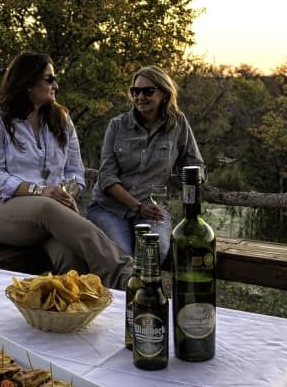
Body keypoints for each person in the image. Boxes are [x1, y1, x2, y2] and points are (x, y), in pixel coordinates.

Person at [0, 52, 133, 289]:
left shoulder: (61, 119)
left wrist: (67, 193)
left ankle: (93, 312)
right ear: (27, 83)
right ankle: (127, 276)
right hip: (2, 210)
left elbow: (75, 171)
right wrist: (42, 191)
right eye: (49, 79)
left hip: (52, 216)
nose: (55, 85)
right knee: (47, 207)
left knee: (72, 261)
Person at [87, 65, 204, 260]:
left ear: (164, 94)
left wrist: (193, 179)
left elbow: (196, 165)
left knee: (154, 252)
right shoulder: (117, 125)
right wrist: (137, 206)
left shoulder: (178, 124)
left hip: (152, 211)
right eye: (135, 91)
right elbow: (106, 176)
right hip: (109, 208)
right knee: (121, 257)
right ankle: (129, 291)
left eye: (148, 91)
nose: (140, 96)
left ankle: (147, 291)